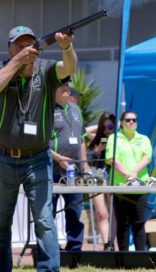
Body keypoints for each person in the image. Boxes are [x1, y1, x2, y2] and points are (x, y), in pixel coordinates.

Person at [0, 25, 77, 272]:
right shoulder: (2, 67)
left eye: (29, 43)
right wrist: (16, 61)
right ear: (10, 48)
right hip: (3, 157)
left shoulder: (47, 69)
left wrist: (67, 47)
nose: (25, 48)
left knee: (45, 220)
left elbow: (69, 68)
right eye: (18, 44)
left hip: (37, 158)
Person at [50, 76, 89, 251]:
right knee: (48, 213)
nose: (66, 87)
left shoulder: (75, 109)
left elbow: (81, 140)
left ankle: (74, 250)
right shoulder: (46, 110)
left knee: (74, 212)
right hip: (52, 171)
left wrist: (85, 166)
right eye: (61, 85)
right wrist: (60, 159)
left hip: (75, 171)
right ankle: (51, 249)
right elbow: (42, 144)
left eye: (67, 84)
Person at [106, 111, 152, 251]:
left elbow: (147, 157)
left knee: (139, 223)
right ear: (121, 122)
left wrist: (134, 172)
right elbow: (112, 159)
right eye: (127, 120)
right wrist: (128, 175)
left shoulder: (143, 139)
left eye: (134, 120)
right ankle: (124, 256)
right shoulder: (113, 138)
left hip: (140, 186)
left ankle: (140, 256)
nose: (131, 122)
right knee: (123, 223)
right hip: (121, 187)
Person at [87, 112, 116, 249]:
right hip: (97, 176)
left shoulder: (118, 140)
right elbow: (85, 131)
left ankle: (113, 241)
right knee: (101, 212)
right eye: (103, 128)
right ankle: (106, 243)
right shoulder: (96, 140)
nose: (106, 130)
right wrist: (98, 149)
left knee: (113, 211)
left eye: (110, 127)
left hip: (112, 176)